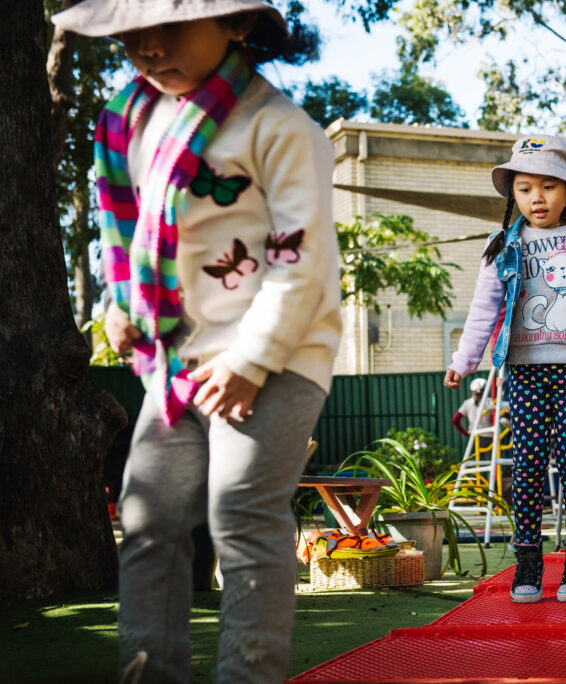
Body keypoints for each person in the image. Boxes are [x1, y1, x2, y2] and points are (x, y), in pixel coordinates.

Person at [53, 2, 342, 681]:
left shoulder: (279, 127)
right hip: (179, 360)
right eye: (132, 32)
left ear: (237, 24)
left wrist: (252, 359)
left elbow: (301, 259)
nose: (148, 47)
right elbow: (128, 231)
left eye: (170, 26)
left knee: (240, 511)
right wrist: (121, 304)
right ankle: (150, 671)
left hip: (278, 351)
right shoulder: (133, 118)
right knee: (147, 515)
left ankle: (250, 674)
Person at [444, 135, 566, 603]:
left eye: (548, 186)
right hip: (523, 368)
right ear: (514, 196)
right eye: (525, 188)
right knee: (526, 466)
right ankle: (528, 561)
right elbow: (484, 308)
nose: (537, 198)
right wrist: (464, 360)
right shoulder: (503, 244)